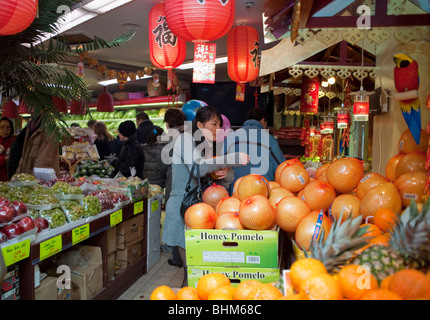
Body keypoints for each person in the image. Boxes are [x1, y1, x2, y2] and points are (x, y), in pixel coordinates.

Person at [161, 106, 249, 287]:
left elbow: (219, 186)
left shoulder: (208, 147)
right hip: (183, 208)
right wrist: (229, 158)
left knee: (197, 272)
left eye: (220, 125)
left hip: (201, 211)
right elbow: (197, 167)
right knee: (191, 273)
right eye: (214, 124)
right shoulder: (185, 139)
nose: (218, 129)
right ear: (199, 124)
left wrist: (225, 172)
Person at [224, 108, 285, 191]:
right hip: (261, 193)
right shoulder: (270, 139)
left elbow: (220, 168)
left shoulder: (230, 138)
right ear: (263, 120)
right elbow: (282, 170)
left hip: (236, 192)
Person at [159, 108, 186, 268]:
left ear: (168, 123)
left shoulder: (172, 137)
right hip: (186, 182)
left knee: (176, 219)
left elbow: (165, 161)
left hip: (174, 179)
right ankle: (181, 256)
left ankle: (177, 257)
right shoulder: (188, 134)